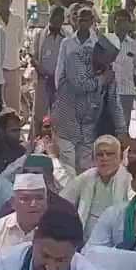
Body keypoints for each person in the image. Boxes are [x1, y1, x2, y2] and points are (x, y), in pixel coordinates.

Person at [54, 35, 124, 172]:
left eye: (113, 59)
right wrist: (102, 80)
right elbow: (80, 84)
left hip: (88, 130)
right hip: (66, 126)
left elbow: (114, 102)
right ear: (98, 50)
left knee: (87, 173)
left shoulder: (107, 70)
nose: (110, 63)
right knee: (67, 172)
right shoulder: (76, 58)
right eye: (109, 58)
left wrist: (122, 130)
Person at [61, 135, 131, 238]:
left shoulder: (129, 179)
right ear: (93, 158)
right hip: (85, 239)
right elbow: (64, 199)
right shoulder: (86, 177)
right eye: (100, 154)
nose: (104, 158)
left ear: (120, 158)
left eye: (110, 154)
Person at [0, 173, 48, 260]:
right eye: (25, 199)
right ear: (13, 203)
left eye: (39, 198)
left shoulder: (57, 230)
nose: (33, 204)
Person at [30, 6, 67, 138]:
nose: (56, 20)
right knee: (39, 115)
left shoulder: (67, 37)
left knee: (58, 117)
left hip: (60, 83)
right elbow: (32, 56)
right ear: (49, 17)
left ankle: (55, 145)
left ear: (63, 20)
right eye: (54, 16)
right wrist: (41, 69)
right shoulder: (40, 35)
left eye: (59, 17)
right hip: (42, 80)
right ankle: (35, 144)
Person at [105, 9, 136, 136]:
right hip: (107, 92)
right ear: (113, 23)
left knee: (123, 127)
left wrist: (132, 82)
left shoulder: (134, 45)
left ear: (129, 24)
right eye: (118, 21)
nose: (121, 24)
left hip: (126, 92)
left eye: (125, 21)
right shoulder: (105, 41)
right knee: (108, 125)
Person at [0, 0, 25, 113]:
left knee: (13, 107)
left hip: (13, 67)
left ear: (11, 1)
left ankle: (13, 132)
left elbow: (19, 42)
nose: (3, 2)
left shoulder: (18, 20)